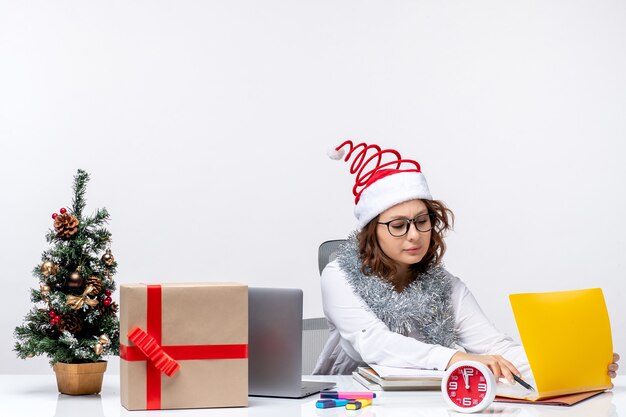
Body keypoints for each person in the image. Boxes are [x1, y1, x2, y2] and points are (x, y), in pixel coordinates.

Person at [312, 140, 619, 386]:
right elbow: (373, 342)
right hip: (351, 400)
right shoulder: (339, 274)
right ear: (372, 231)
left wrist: (569, 365)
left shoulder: (447, 287)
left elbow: (495, 348)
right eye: (398, 225)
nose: (414, 235)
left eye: (422, 221)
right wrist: (456, 358)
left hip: (427, 402)